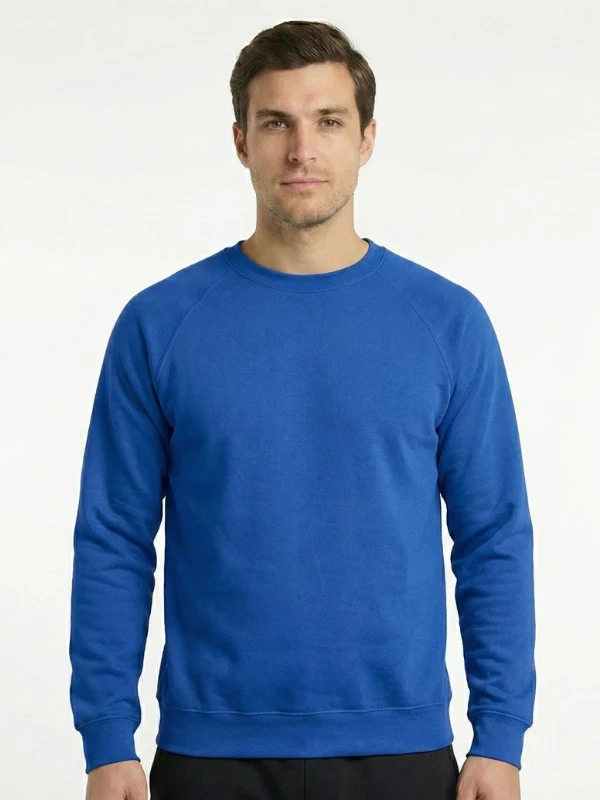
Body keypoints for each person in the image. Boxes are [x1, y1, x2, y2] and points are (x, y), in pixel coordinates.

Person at [69, 19, 536, 800]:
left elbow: (493, 535)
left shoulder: (447, 322)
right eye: (276, 123)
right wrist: (106, 739)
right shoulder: (160, 324)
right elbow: (114, 536)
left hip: (402, 749)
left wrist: (502, 736)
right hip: (210, 754)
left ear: (368, 138)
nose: (302, 150)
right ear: (241, 141)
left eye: (329, 121)